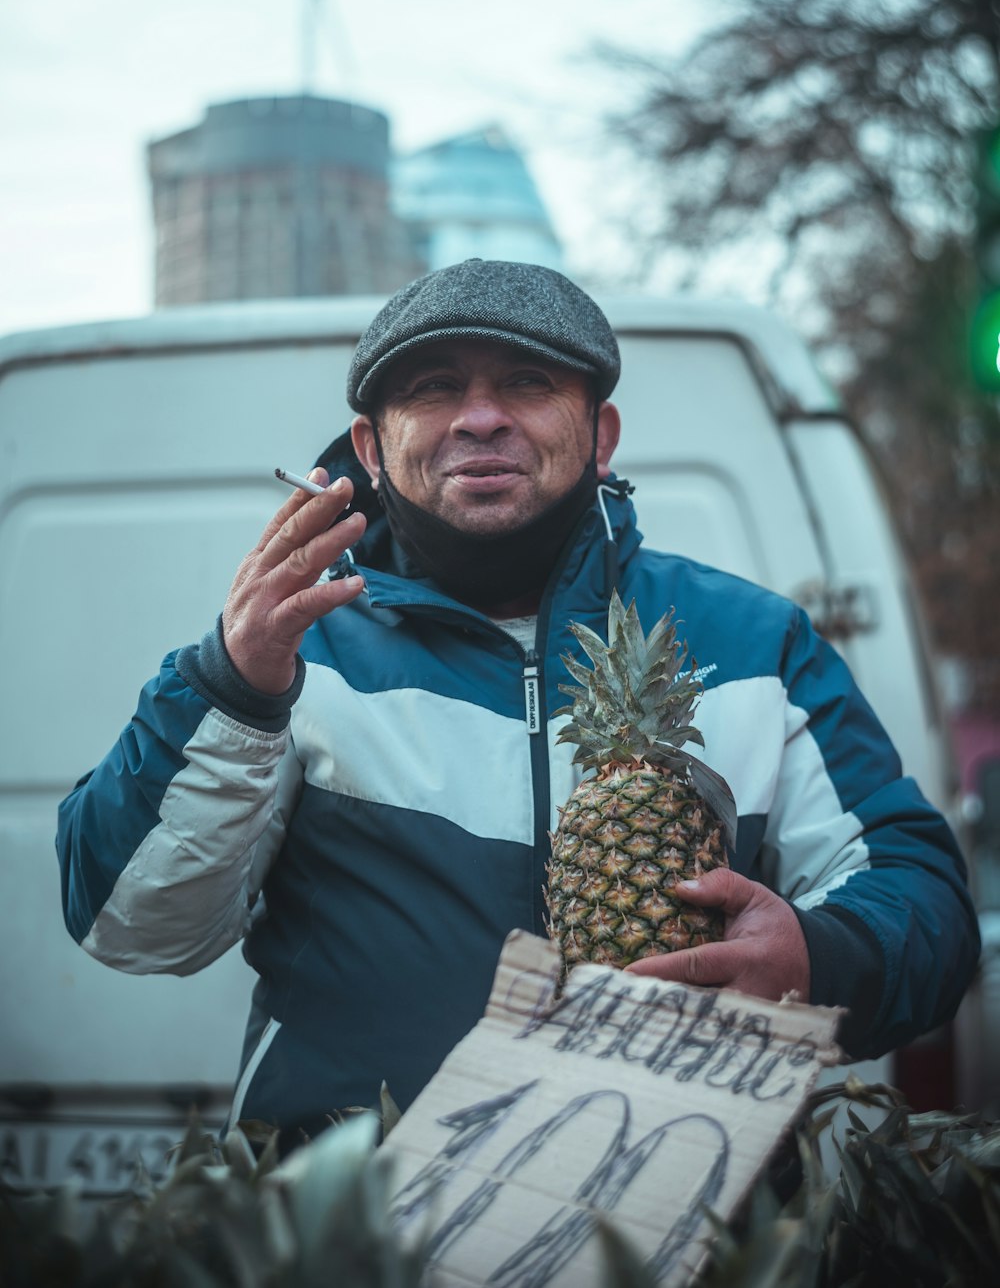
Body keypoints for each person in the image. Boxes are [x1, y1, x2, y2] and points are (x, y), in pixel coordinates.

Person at [57, 258, 980, 1147]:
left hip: (679, 1226)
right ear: (373, 448)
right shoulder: (298, 654)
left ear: (601, 433)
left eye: (529, 382)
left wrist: (822, 958)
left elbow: (923, 897)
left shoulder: (753, 643)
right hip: (355, 1233)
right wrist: (229, 685)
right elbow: (130, 924)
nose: (481, 418)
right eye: (432, 387)